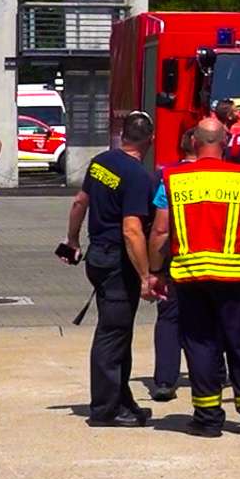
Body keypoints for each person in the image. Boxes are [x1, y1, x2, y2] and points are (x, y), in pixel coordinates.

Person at [147, 120, 240, 438]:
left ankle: (207, 418)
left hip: (189, 276)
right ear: (226, 140)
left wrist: (154, 272)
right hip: (232, 275)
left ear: (193, 141)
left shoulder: (172, 179)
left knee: (199, 343)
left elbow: (160, 231)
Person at [61, 112, 156, 427]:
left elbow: (79, 202)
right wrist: (145, 276)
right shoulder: (138, 176)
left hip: (97, 256)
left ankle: (121, 399)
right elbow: (132, 230)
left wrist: (72, 241)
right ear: (149, 140)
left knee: (118, 333)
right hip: (117, 261)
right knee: (112, 334)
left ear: (122, 134)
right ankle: (105, 409)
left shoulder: (101, 162)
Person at [148, 126, 197, 403]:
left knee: (169, 319)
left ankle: (165, 380)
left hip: (174, 260)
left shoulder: (164, 177)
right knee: (211, 320)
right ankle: (213, 372)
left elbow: (157, 228)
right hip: (216, 261)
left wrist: (153, 270)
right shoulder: (227, 176)